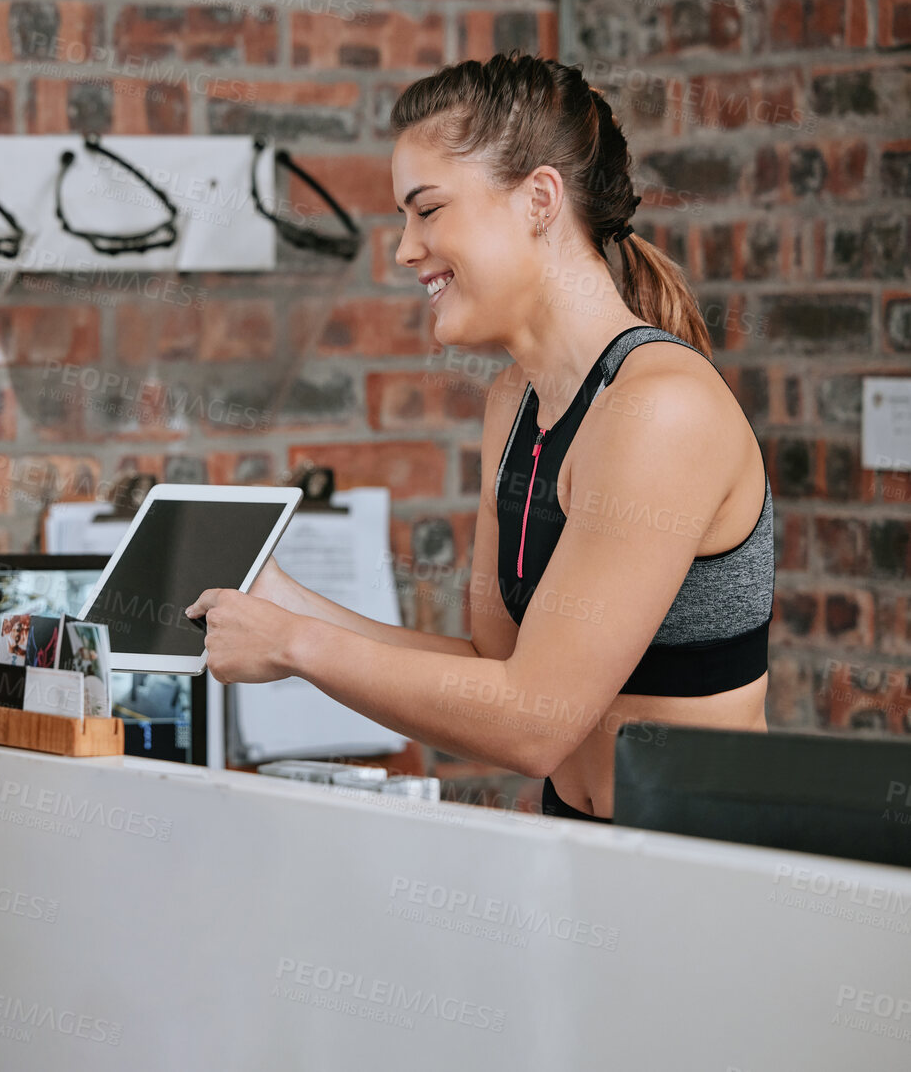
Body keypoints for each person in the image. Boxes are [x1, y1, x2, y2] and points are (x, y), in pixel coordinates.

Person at [188, 53, 773, 822]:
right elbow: (495, 670)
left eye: (426, 210)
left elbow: (532, 722)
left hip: (700, 865)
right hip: (579, 837)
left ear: (537, 199)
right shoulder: (517, 401)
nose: (404, 248)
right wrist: (287, 602)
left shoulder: (659, 410)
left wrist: (296, 646)